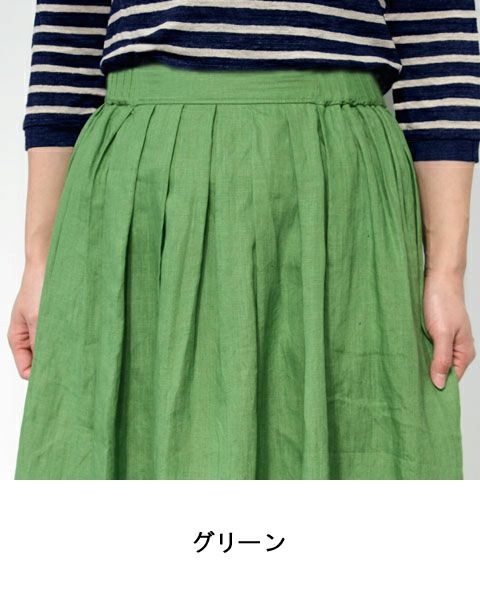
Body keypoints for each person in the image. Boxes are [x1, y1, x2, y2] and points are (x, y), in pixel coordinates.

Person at [9, 0, 479, 480]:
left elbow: (435, 28)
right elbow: (69, 32)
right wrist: (40, 260)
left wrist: (446, 271)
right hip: (148, 183)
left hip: (339, 181)